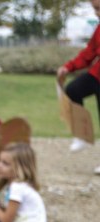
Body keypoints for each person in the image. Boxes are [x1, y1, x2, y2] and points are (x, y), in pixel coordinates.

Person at [57, 0, 100, 175]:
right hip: (97, 76)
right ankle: (82, 135)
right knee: (73, 90)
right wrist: (68, 67)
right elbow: (88, 53)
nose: (97, 13)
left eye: (98, 8)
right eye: (95, 9)